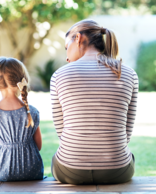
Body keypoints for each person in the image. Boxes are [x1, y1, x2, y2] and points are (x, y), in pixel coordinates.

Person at [50, 19, 139, 184]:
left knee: (57, 159)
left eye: (66, 47)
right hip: (117, 170)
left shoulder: (59, 75)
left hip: (70, 171)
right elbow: (126, 133)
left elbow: (61, 133)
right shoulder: (128, 73)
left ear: (78, 38)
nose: (67, 57)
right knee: (129, 156)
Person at [0, 57, 44, 181]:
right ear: (22, 80)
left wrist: (1, 145)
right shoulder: (32, 112)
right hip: (30, 171)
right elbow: (38, 146)